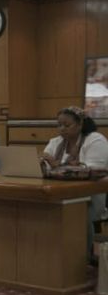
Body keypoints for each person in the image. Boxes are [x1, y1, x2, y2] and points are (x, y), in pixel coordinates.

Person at [41, 107, 108, 264]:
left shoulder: (95, 140)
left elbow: (93, 170)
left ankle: (84, 259)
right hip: (61, 192)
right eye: (59, 125)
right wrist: (50, 165)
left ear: (80, 124)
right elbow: (44, 165)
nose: (61, 129)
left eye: (66, 125)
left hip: (91, 193)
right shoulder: (56, 142)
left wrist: (56, 165)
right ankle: (57, 259)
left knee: (81, 216)